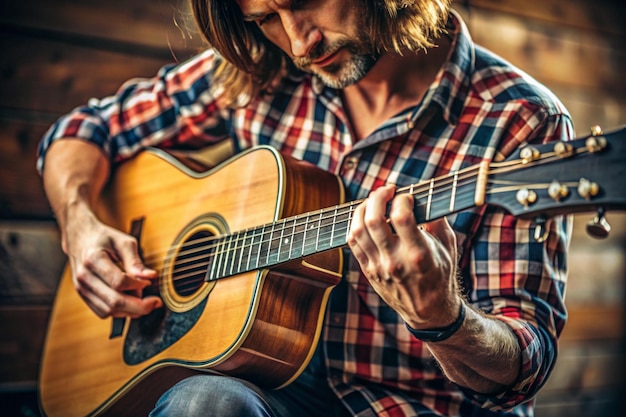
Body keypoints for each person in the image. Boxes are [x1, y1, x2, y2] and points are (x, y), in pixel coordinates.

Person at [37, 0, 574, 416]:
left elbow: (522, 366)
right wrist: (80, 226)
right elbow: (86, 130)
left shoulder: (519, 119)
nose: (299, 43)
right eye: (267, 17)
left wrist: (444, 319)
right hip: (273, 394)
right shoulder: (257, 70)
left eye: (306, 2)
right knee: (206, 404)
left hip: (413, 406)